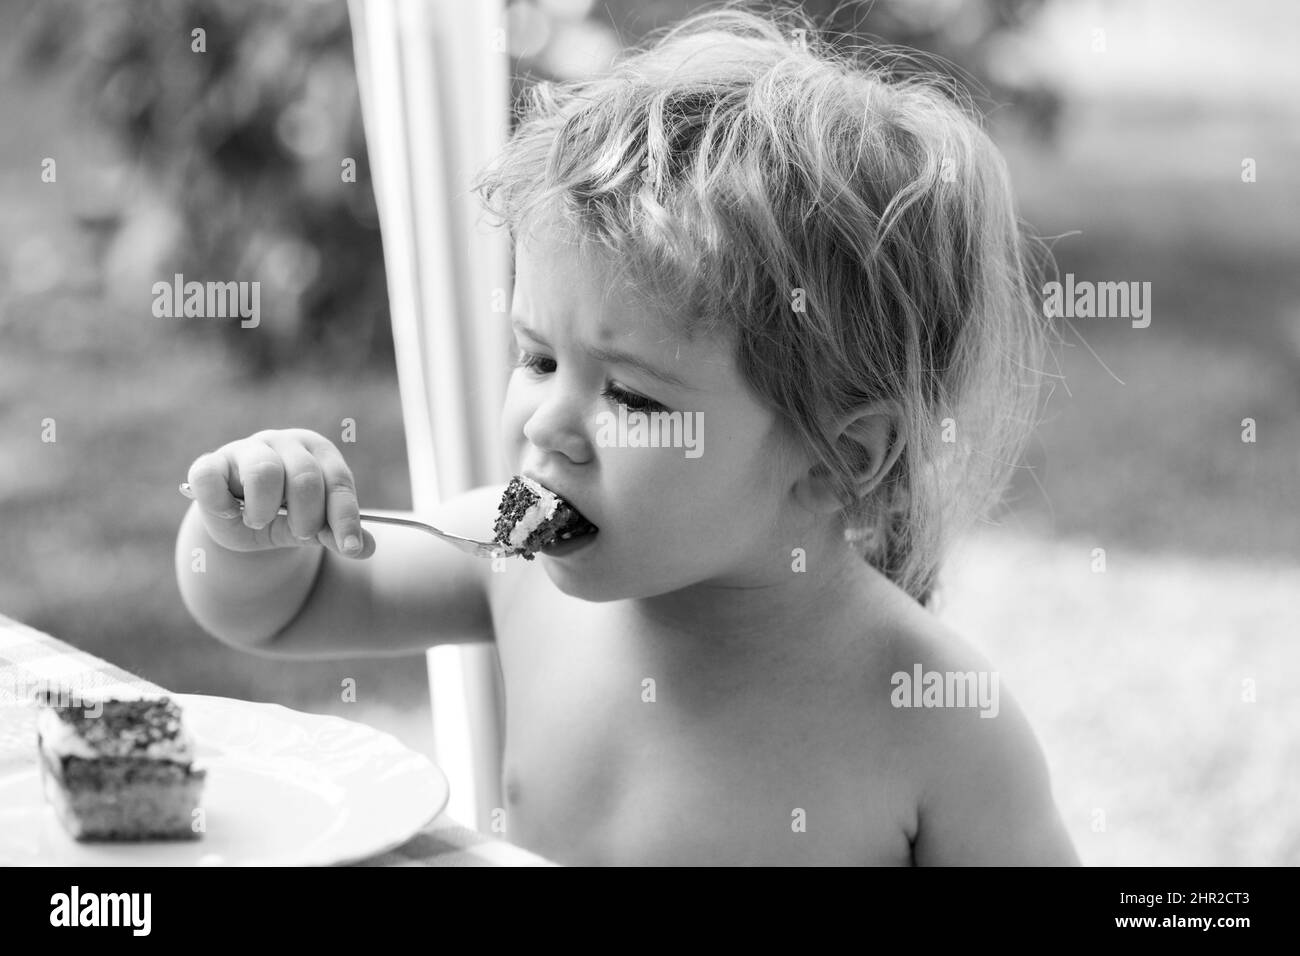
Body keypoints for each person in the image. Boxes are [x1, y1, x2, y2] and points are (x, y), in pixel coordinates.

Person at [175, 5, 1078, 865]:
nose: (551, 425)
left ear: (841, 455)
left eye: (633, 399)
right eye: (536, 359)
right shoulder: (508, 557)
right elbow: (283, 608)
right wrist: (247, 530)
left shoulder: (935, 720)